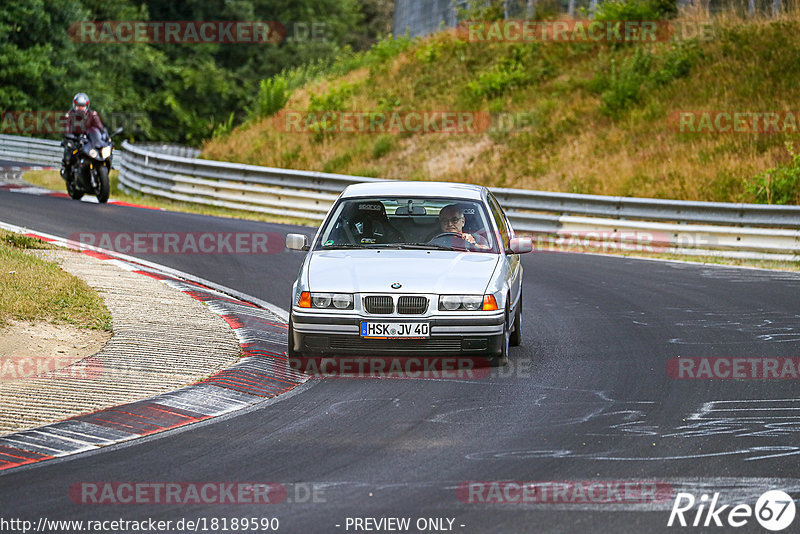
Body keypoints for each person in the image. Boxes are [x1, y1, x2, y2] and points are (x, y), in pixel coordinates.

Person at [61, 93, 105, 170]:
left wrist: (104, 134)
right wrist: (70, 136)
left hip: (88, 140)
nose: (80, 108)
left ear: (86, 106)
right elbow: (66, 128)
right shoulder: (70, 115)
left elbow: (99, 127)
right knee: (68, 150)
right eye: (78, 106)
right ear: (75, 105)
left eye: (82, 106)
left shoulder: (92, 114)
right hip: (75, 139)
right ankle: (66, 168)